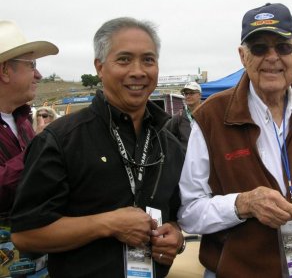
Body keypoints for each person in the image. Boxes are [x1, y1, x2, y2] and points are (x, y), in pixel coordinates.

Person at [178, 3, 292, 277]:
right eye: (259, 48)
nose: (272, 57)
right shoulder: (211, 117)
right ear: (243, 56)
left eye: (283, 47)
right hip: (237, 271)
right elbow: (189, 212)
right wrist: (242, 204)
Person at [11, 17, 186, 278]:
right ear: (100, 67)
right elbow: (26, 235)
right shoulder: (61, 140)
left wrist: (176, 237)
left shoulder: (169, 145)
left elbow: (174, 216)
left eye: (148, 60)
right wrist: (107, 223)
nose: (138, 71)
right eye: (124, 59)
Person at [0, 20, 58, 218]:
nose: (39, 75)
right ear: (5, 71)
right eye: (32, 65)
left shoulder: (22, 121)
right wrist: (39, 147)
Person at [166, 81, 202, 150]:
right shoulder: (179, 117)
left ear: (200, 95)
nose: (188, 96)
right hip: (186, 159)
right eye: (186, 94)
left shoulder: (208, 114)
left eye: (191, 93)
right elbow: (165, 133)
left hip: (206, 159)